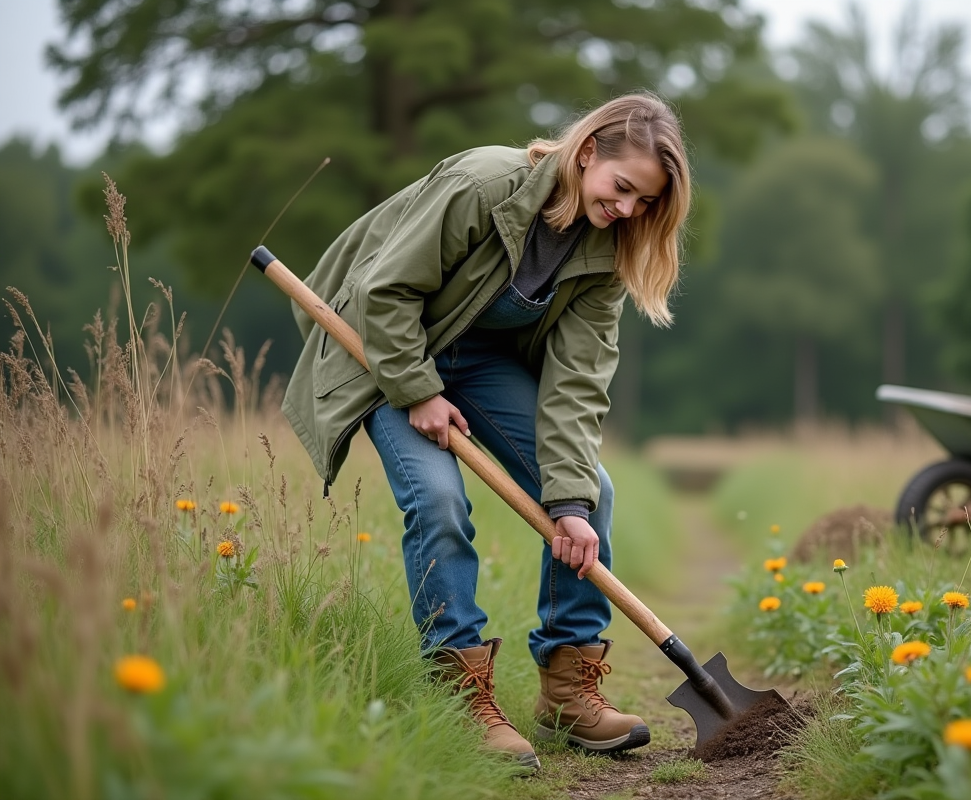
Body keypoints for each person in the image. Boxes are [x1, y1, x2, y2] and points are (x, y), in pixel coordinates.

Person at [281, 93, 690, 771]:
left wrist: (567, 506)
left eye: (643, 203)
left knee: (593, 494)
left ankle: (567, 695)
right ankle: (459, 699)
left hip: (481, 363)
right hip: (387, 352)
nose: (627, 212)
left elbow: (576, 384)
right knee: (439, 501)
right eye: (622, 189)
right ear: (587, 153)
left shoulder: (604, 253)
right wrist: (418, 390)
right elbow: (384, 291)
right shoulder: (481, 184)